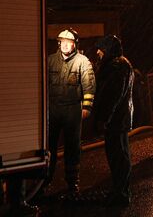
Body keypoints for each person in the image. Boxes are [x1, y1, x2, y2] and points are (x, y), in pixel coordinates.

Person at [44, 28, 96, 198]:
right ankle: (45, 180)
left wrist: (86, 107)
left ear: (74, 45)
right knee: (48, 147)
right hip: (52, 110)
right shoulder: (50, 61)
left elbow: (89, 86)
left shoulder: (83, 62)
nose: (65, 45)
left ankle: (72, 182)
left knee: (72, 148)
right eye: (62, 42)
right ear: (59, 43)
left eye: (69, 43)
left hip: (72, 111)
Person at [94, 35, 134, 207]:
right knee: (121, 156)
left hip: (116, 120)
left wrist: (105, 117)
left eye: (101, 49)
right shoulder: (122, 64)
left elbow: (112, 96)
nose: (98, 53)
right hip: (120, 119)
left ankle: (121, 193)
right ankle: (121, 191)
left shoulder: (116, 67)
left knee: (117, 156)